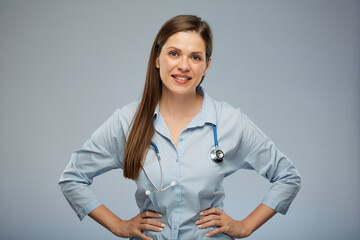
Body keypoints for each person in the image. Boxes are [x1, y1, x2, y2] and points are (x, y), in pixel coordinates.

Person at [58, 15, 301, 240]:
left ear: (206, 66)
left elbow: (287, 177)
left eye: (195, 57)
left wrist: (245, 226)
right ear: (156, 58)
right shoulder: (126, 121)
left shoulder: (229, 121)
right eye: (174, 54)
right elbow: (73, 179)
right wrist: (117, 225)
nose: (184, 66)